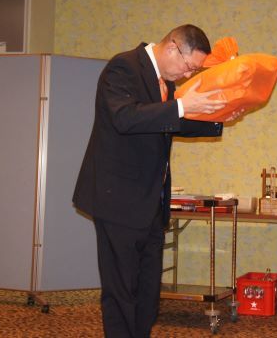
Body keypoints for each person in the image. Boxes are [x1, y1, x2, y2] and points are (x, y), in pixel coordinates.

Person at [73, 24, 228, 338]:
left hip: (150, 204)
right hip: (117, 200)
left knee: (147, 296)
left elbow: (167, 122)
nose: (187, 75)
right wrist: (183, 105)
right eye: (189, 66)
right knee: (121, 292)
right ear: (172, 47)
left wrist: (217, 118)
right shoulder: (123, 67)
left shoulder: (165, 80)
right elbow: (125, 117)